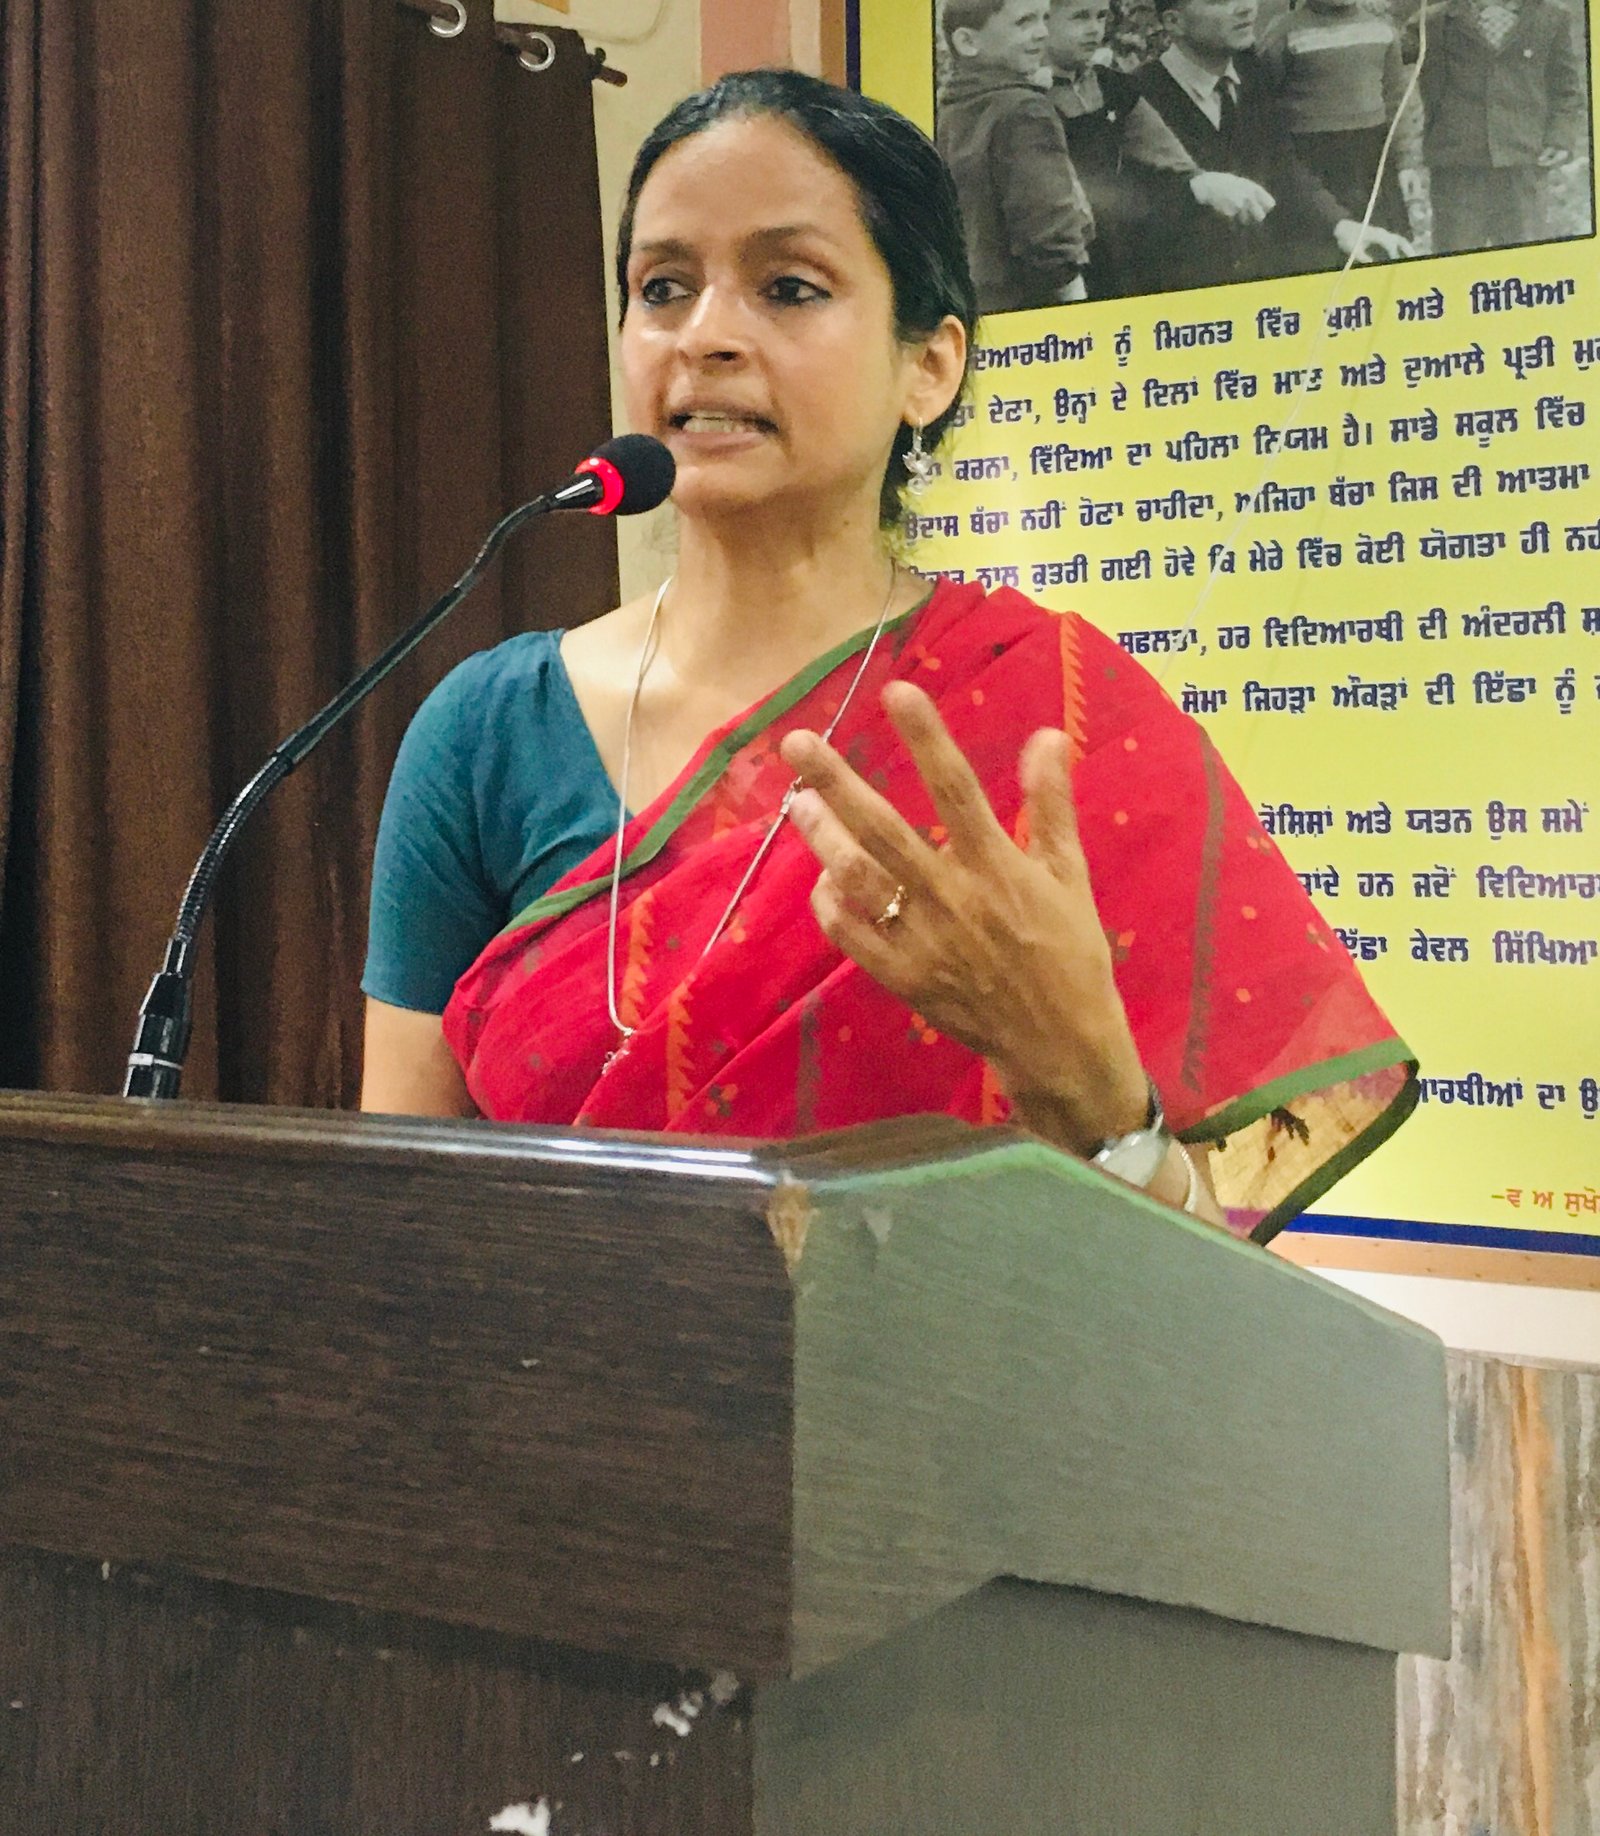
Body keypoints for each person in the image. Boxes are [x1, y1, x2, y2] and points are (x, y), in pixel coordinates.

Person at [361, 68, 1417, 1244]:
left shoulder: (1054, 719)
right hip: (547, 1361)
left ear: (930, 366)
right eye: (663, 288)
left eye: (788, 286)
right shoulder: (485, 731)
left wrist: (1088, 1085)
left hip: (959, 1367)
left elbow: (1202, 1302)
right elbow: (400, 1228)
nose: (705, 335)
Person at [1136, 0, 1413, 288]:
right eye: (1221, 1)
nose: (1246, 7)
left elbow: (1280, 166)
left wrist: (1339, 225)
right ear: (1173, 21)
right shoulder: (1136, 98)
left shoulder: (1251, 73)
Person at [1042, 0, 1288, 296]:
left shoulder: (1114, 86)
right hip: (1057, 250)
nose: (1094, 29)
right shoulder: (1029, 98)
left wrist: (1203, 182)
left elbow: (1163, 151)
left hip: (1118, 253)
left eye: (1101, 17)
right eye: (1080, 17)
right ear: (1043, 20)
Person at [935, 0, 1096, 313]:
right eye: (1024, 22)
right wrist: (1076, 303)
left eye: (1044, 18)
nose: (1043, 33)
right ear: (967, 42)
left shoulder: (952, 108)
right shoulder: (1025, 111)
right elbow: (1050, 232)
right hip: (1026, 303)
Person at [1414, 0, 1585, 254]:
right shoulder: (1435, 21)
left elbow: (1566, 90)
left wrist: (1560, 137)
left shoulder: (1550, 17)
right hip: (1458, 170)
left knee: (1526, 258)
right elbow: (1389, 61)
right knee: (1456, 260)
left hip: (1523, 165)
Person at [1255, 0, 1415, 238]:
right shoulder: (1284, 31)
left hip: (1371, 156)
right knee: (1319, 238)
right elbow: (1263, 102)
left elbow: (1395, 98)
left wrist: (1405, 161)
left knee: (1381, 239)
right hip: (1311, 156)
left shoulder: (1381, 30)